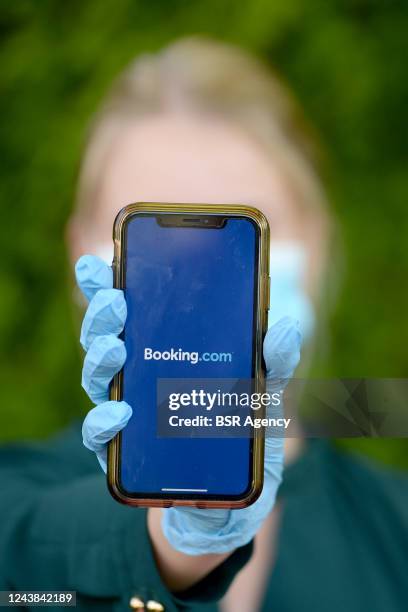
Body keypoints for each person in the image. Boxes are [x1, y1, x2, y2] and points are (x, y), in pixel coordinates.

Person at [1, 37, 407, 612]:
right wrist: (172, 545)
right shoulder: (12, 508)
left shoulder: (398, 534)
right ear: (83, 254)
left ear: (316, 243)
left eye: (238, 230)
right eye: (158, 234)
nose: (198, 284)